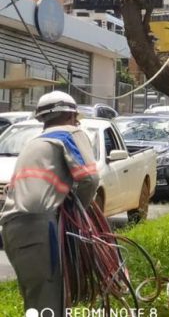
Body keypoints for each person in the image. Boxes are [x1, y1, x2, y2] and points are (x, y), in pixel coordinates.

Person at [0, 91, 99, 315]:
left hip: (12, 229)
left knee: (36, 300)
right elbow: (90, 178)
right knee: (49, 302)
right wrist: (77, 212)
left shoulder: (35, 143)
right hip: (38, 226)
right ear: (72, 116)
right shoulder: (69, 133)